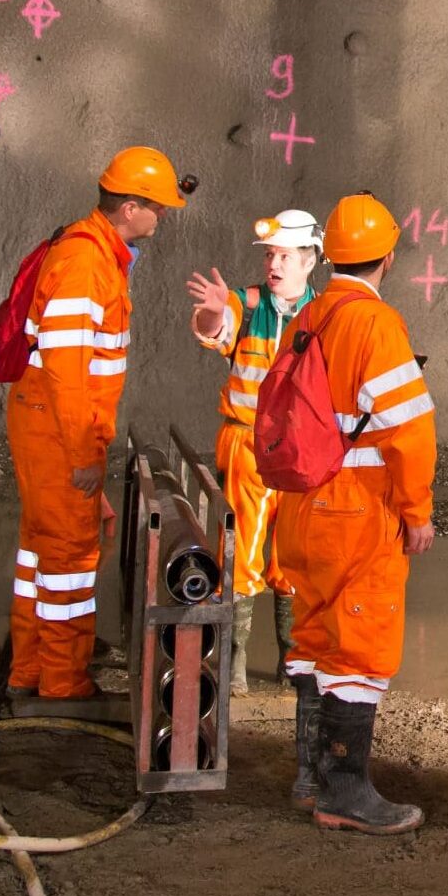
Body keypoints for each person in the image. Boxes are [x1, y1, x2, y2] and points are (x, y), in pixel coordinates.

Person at [278, 193, 438, 836]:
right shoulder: (375, 324)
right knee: (360, 647)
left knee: (316, 637)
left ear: (332, 255)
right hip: (355, 512)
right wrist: (416, 509)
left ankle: (311, 777)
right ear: (388, 257)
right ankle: (346, 793)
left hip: (301, 505)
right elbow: (409, 430)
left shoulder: (308, 315)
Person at [5, 145, 183, 700]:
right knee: (69, 557)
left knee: (41, 549)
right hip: (59, 429)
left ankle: (29, 668)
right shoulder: (85, 264)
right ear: (130, 208)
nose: (163, 217)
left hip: (51, 424)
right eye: (158, 207)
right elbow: (66, 372)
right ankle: (61, 678)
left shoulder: (97, 255)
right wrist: (85, 455)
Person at [187, 209, 321, 695]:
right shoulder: (246, 303)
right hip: (247, 442)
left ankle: (292, 657)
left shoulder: (321, 313)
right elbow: (213, 330)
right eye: (270, 255)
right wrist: (214, 310)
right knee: (242, 550)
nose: (274, 264)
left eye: (285, 255)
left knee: (293, 556)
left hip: (301, 449)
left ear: (310, 261)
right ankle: (237, 658)